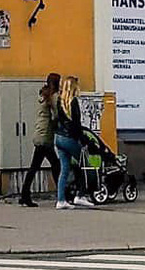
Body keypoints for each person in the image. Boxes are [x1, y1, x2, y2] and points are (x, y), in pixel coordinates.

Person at [17, 73, 62, 207]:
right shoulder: (53, 97)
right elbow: (56, 115)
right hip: (45, 136)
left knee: (36, 167)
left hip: (39, 134)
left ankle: (25, 195)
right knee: (55, 165)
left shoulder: (43, 94)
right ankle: (62, 194)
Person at [50, 75, 91, 209]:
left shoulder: (60, 102)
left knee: (65, 169)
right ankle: (81, 195)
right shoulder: (73, 102)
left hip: (59, 138)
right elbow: (76, 124)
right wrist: (83, 139)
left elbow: (58, 120)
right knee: (84, 164)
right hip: (69, 139)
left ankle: (61, 200)